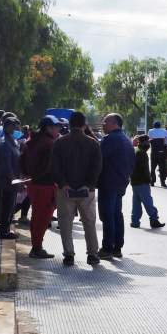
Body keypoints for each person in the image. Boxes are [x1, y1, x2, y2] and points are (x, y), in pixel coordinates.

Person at [51, 111, 103, 266]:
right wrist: (89, 184)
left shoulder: (59, 143)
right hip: (87, 191)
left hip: (65, 190)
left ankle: (69, 255)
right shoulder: (93, 143)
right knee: (89, 222)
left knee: (66, 223)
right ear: (84, 124)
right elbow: (97, 167)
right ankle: (92, 254)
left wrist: (63, 184)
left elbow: (55, 167)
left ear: (69, 124)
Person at [97, 113, 135, 259]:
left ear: (114, 123)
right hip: (121, 183)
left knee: (107, 215)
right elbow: (132, 162)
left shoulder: (110, 139)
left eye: (105, 122)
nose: (103, 124)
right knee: (116, 214)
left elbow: (99, 159)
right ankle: (117, 247)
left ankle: (107, 248)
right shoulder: (126, 140)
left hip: (108, 183)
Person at [21, 115, 59, 257]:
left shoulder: (31, 140)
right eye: (56, 127)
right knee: (42, 218)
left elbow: (22, 159)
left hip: (33, 184)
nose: (58, 130)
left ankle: (36, 246)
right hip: (45, 185)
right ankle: (37, 248)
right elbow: (50, 166)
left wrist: (28, 175)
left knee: (37, 216)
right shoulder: (50, 143)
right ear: (48, 128)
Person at [130, 134, 164, 230]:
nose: (149, 144)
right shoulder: (141, 153)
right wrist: (149, 179)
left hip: (135, 181)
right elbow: (143, 169)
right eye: (148, 142)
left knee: (136, 203)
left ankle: (135, 221)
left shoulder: (137, 151)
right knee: (148, 202)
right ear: (143, 142)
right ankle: (154, 220)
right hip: (141, 181)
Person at [0, 117, 21, 240]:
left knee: (10, 207)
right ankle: (3, 231)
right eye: (13, 125)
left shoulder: (12, 140)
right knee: (6, 207)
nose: (15, 128)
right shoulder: (4, 143)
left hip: (12, 180)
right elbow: (6, 166)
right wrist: (15, 180)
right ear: (6, 126)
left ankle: (6, 229)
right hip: (7, 181)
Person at [148, 121, 167, 187]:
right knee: (162, 167)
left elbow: (150, 137)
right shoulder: (163, 131)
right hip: (161, 152)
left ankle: (152, 181)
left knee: (152, 168)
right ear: (160, 125)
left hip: (154, 152)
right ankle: (162, 182)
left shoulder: (150, 131)